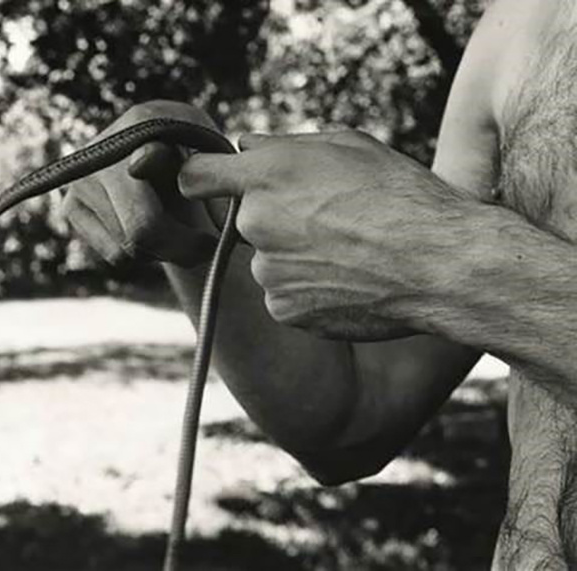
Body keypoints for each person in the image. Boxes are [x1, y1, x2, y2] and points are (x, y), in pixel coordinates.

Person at [61, 0, 577, 567]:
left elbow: (449, 268)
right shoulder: (518, 23)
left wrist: (443, 258)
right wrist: (187, 192)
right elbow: (355, 419)